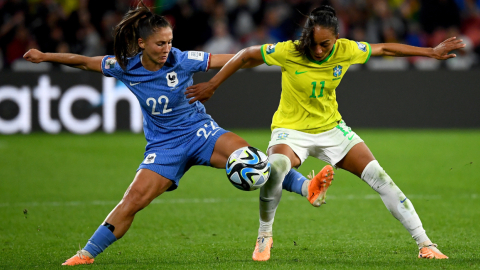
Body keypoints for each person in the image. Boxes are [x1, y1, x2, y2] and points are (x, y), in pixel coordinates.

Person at [23, 1, 332, 266]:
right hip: (164, 146)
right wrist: (45, 56)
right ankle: (87, 254)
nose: (167, 49)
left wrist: (277, 57)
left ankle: (308, 188)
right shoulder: (125, 67)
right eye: (160, 44)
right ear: (142, 43)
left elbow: (232, 59)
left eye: (170, 42)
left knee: (252, 159)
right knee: (133, 200)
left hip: (201, 132)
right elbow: (84, 61)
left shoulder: (183, 60)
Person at [185, 5, 465, 261]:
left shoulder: (346, 49)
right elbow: (246, 54)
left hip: (332, 128)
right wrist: (213, 84)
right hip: (291, 130)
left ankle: (425, 244)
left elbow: (384, 49)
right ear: (306, 36)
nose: (318, 50)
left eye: (325, 44)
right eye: (314, 43)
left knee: (381, 178)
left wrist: (430, 51)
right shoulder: (290, 50)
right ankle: (264, 236)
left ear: (336, 39)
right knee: (277, 167)